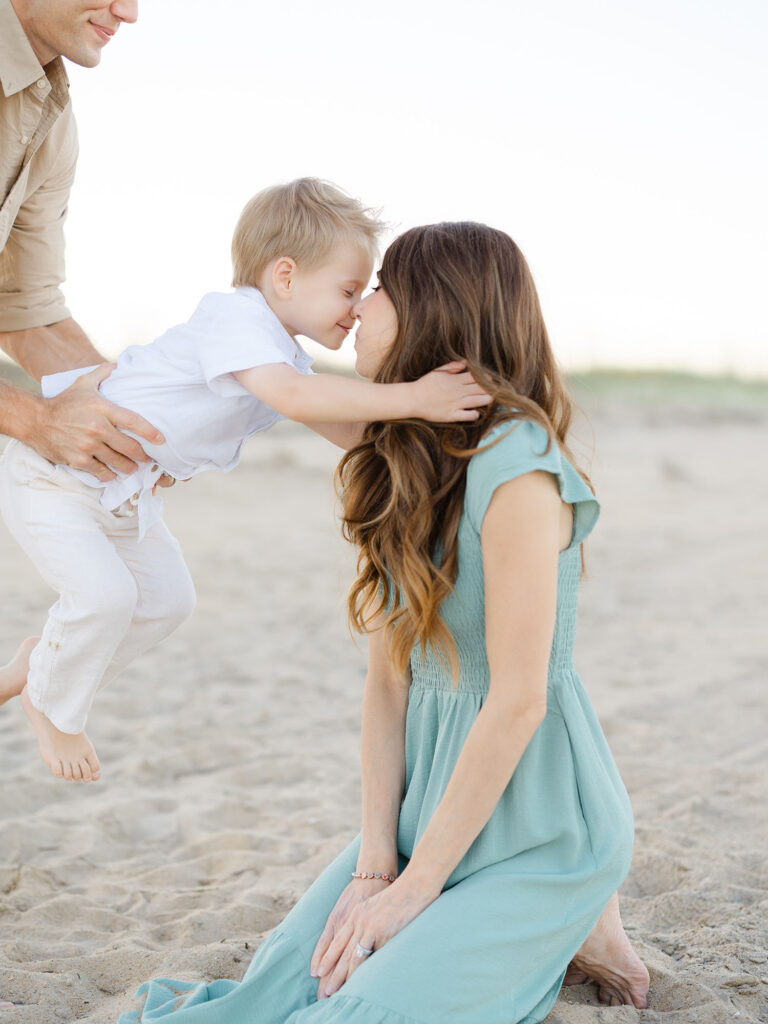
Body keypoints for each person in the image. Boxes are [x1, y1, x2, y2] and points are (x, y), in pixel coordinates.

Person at [115, 221, 650, 1024]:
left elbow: (518, 703)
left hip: (541, 830)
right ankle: (568, 932)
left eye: (380, 289)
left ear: (434, 309)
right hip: (427, 815)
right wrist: (375, 867)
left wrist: (414, 891)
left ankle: (578, 912)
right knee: (272, 995)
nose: (360, 308)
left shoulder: (519, 468)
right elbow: (387, 684)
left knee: (360, 1013)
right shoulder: (400, 452)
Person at [0, 181, 490, 786]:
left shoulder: (281, 356)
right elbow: (295, 397)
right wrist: (415, 397)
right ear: (285, 276)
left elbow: (348, 429)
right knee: (106, 598)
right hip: (55, 477)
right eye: (347, 290)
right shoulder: (236, 320)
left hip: (121, 492)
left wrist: (445, 433)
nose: (357, 307)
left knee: (167, 602)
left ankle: (43, 667)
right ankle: (53, 707)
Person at [0, 0, 170, 481]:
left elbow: (24, 309)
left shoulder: (50, 120)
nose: (128, 13)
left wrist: (144, 417)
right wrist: (34, 419)